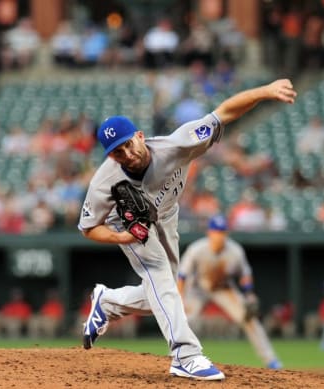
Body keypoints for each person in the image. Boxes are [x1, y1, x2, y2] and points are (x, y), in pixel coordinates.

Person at [77, 79, 296, 381]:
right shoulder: (104, 183)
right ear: (109, 156)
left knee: (162, 296)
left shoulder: (177, 144)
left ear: (140, 136)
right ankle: (185, 354)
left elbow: (223, 114)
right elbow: (88, 229)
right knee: (162, 280)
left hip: (167, 214)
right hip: (130, 225)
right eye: (116, 152)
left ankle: (108, 301)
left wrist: (265, 92)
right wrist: (122, 237)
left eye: (128, 144)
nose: (125, 153)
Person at [177, 214, 282, 369]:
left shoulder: (235, 251)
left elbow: (245, 274)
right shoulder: (197, 249)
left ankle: (271, 360)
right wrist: (180, 299)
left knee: (249, 319)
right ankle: (176, 358)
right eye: (216, 231)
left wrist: (249, 294)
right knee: (184, 321)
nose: (219, 235)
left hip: (222, 289)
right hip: (197, 289)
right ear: (209, 232)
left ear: (226, 233)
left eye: (222, 232)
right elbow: (182, 276)